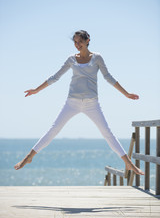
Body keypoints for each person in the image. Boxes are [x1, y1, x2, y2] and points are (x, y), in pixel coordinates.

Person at [14, 30, 144, 176]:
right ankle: (29, 157)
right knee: (53, 130)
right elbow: (55, 77)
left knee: (107, 133)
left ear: (88, 40)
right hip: (72, 102)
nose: (77, 45)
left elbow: (108, 77)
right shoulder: (71, 59)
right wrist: (37, 90)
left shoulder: (97, 58)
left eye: (80, 41)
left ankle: (128, 163)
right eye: (75, 42)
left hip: (92, 104)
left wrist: (126, 93)